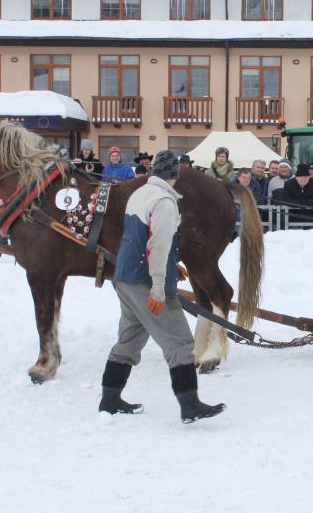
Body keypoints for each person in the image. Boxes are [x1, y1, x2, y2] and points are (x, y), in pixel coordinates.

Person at [99, 150, 226, 424]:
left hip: (124, 277)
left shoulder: (139, 194)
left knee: (129, 342)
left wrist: (171, 264)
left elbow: (140, 237)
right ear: (176, 175)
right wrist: (158, 286)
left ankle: (109, 400)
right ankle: (190, 406)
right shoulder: (165, 201)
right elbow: (157, 244)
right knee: (180, 343)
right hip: (145, 282)